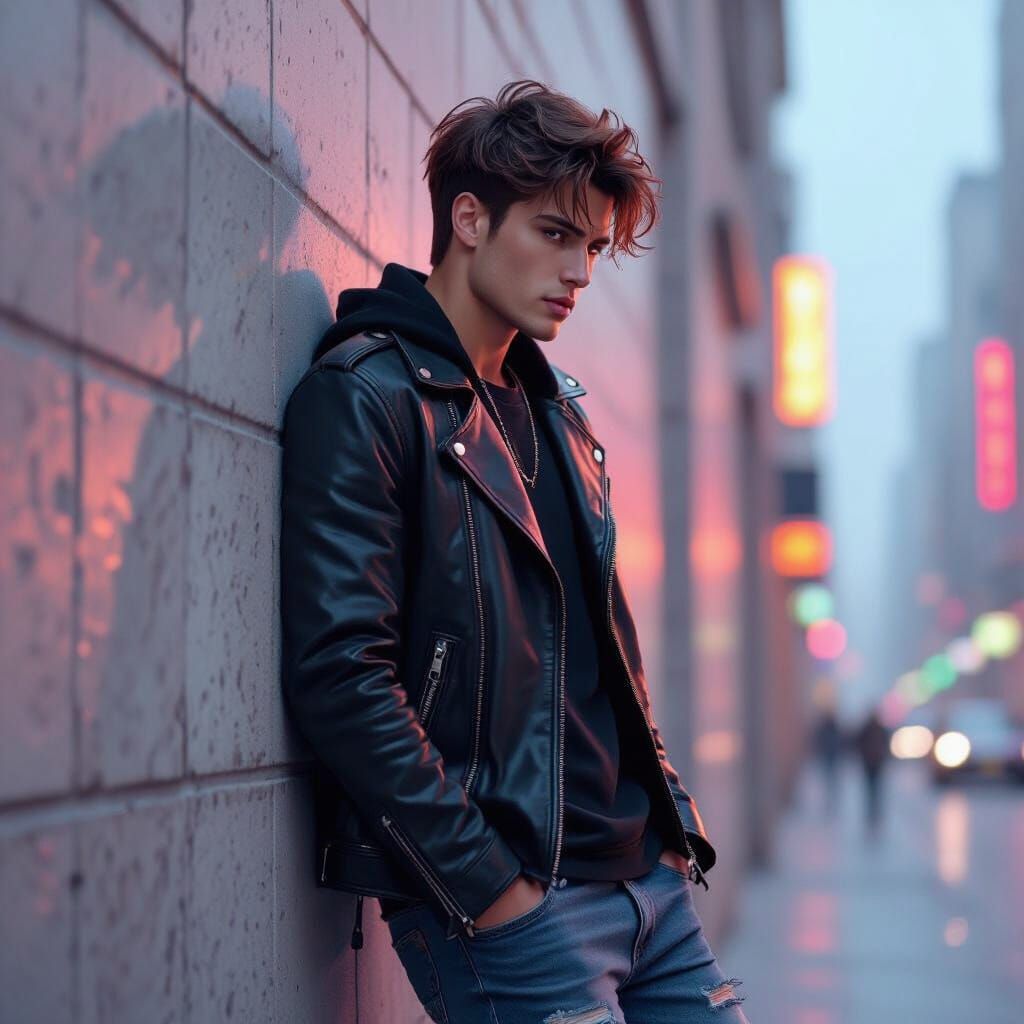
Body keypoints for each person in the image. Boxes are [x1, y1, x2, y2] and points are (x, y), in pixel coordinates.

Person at [280, 80, 747, 1023]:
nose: (579, 271)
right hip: (521, 905)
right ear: (469, 218)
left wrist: (670, 829)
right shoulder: (368, 397)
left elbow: (609, 660)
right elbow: (342, 674)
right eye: (555, 234)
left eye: (593, 247)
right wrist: (488, 884)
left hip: (650, 891)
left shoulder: (559, 417)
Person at [854, 707, 890, 834]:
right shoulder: (874, 728)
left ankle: (873, 813)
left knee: (873, 789)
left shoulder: (871, 728)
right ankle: (873, 813)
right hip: (872, 763)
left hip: (872, 763)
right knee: (874, 789)